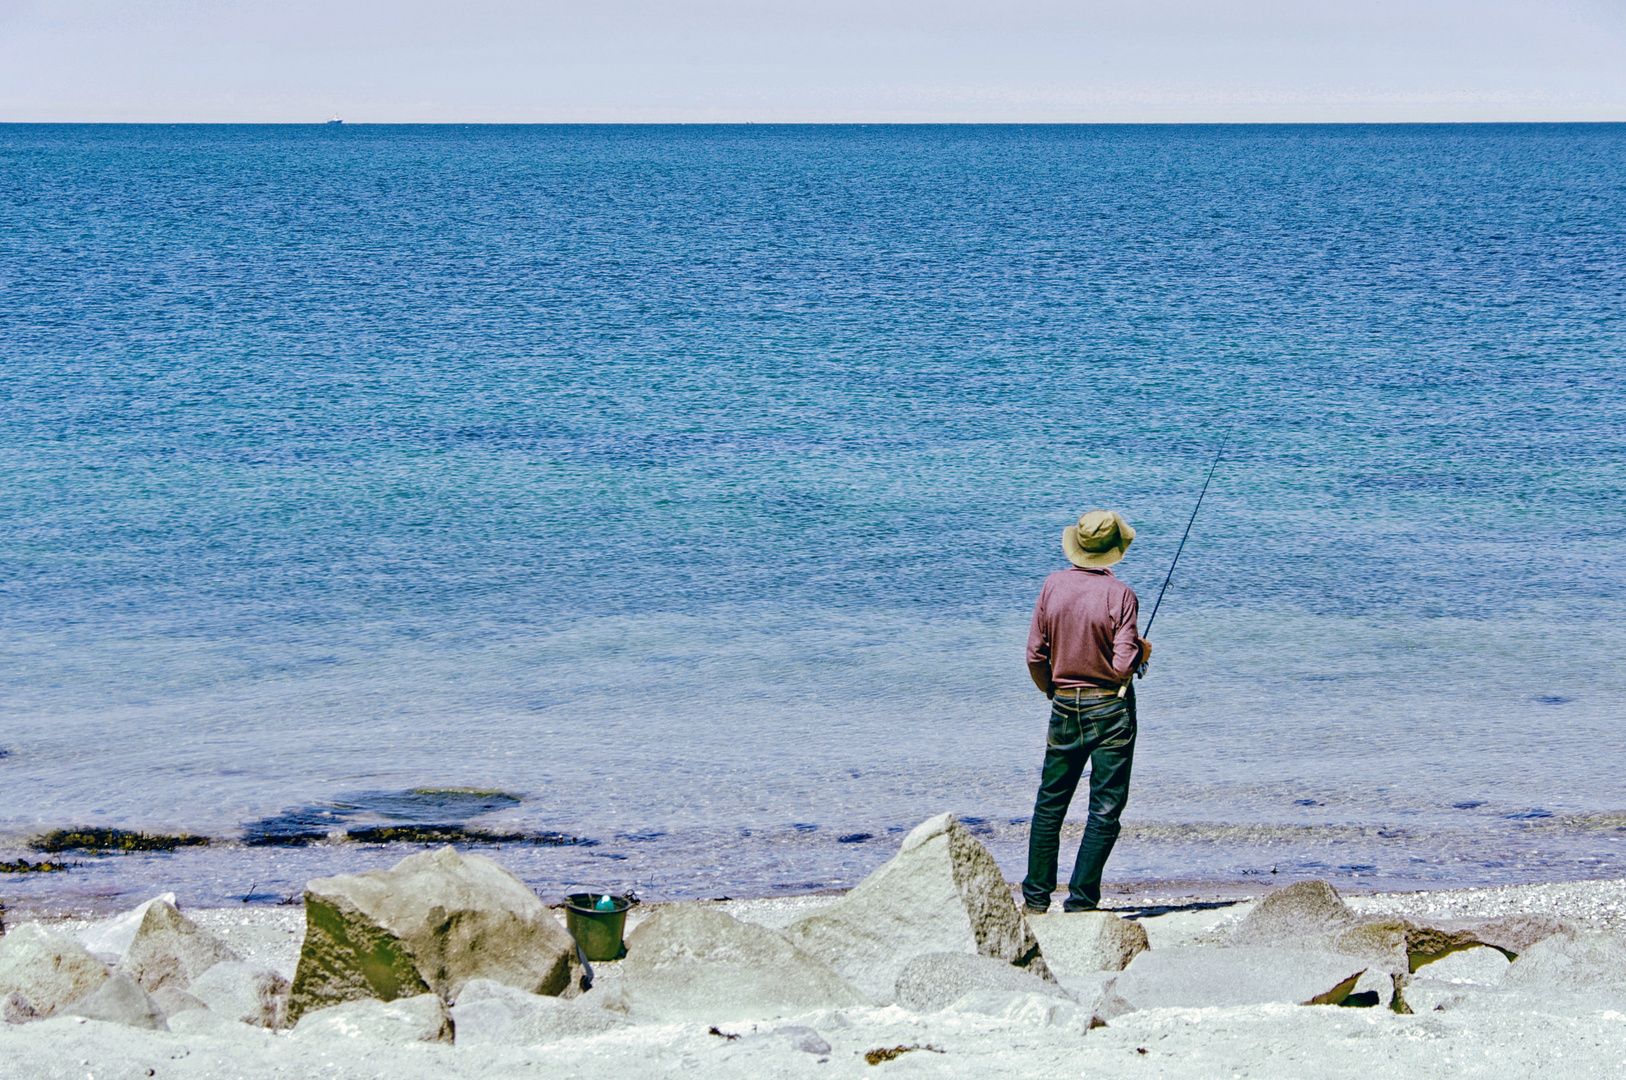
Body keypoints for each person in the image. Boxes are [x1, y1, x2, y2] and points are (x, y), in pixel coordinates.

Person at [1021, 509, 1151, 914]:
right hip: (1110, 708)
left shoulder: (1051, 586)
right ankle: (1081, 901)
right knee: (1105, 808)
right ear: (1113, 551)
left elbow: (1034, 655)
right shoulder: (1121, 595)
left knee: (1050, 804)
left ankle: (1035, 900)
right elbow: (1122, 665)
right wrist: (1141, 653)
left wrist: (1052, 692)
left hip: (1063, 704)